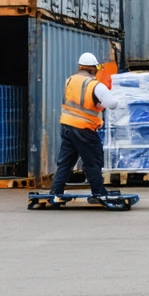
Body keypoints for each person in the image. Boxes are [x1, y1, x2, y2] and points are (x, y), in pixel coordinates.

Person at [49, 52, 118, 203]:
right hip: (84, 128)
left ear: (80, 67)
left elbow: (77, 103)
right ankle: (98, 192)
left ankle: (56, 190)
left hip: (67, 126)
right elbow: (112, 104)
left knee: (66, 161)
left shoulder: (69, 81)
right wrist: (101, 104)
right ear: (94, 69)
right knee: (93, 160)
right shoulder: (95, 85)